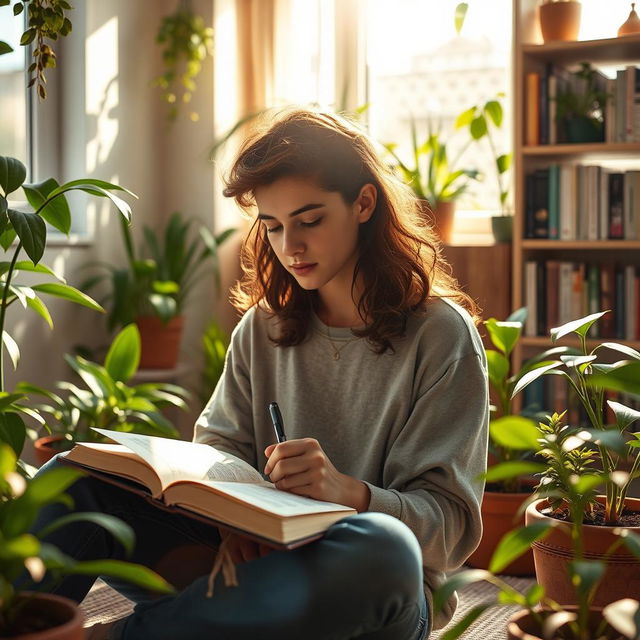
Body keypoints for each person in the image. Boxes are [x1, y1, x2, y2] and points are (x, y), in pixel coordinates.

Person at [25, 108, 489, 640]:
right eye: (272, 227)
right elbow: (216, 453)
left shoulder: (440, 336)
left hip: (370, 592)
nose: (290, 246)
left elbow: (450, 529)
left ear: (363, 203)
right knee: (74, 477)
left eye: (309, 221)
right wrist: (232, 520)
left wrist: (348, 493)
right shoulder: (262, 328)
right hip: (243, 567)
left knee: (382, 547)